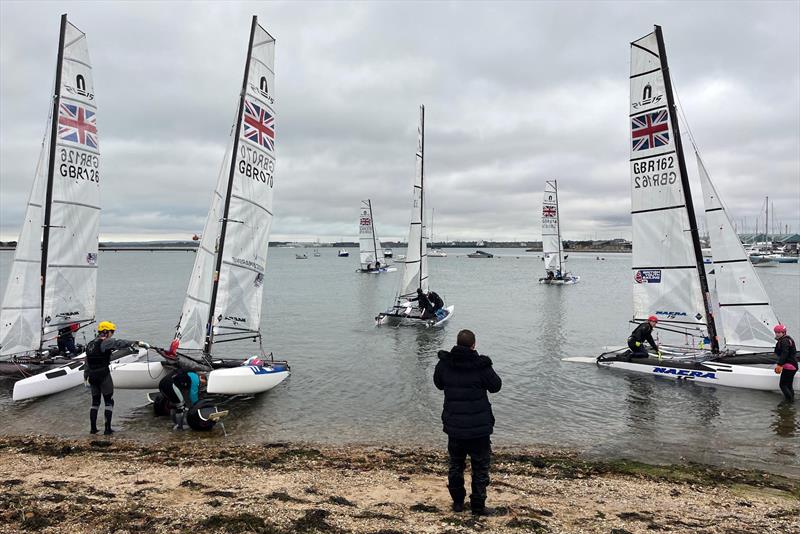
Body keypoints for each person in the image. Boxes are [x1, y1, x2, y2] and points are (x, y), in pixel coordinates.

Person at [433, 329, 502, 515]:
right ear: (473, 345)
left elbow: (438, 383)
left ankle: (457, 503)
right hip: (479, 429)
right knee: (480, 467)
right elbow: (496, 386)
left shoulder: (444, 364)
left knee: (456, 465)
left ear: (457, 343)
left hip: (455, 426)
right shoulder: (481, 366)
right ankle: (478, 507)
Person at [84, 321, 149, 435]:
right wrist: (137, 343)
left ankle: (93, 429)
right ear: (105, 331)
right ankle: (107, 429)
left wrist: (86, 378)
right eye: (111, 332)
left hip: (92, 376)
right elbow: (119, 343)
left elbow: (87, 362)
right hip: (103, 375)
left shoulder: (90, 344)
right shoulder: (105, 341)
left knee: (95, 402)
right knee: (109, 402)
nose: (112, 334)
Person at [774, 324, 797, 402]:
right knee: (789, 385)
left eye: (778, 332)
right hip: (793, 365)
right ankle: (792, 400)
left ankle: (788, 402)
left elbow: (785, 353)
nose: (777, 334)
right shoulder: (787, 339)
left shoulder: (784, 341)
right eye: (776, 332)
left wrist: (779, 364)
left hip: (789, 366)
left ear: (783, 332)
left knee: (782, 385)